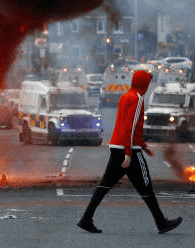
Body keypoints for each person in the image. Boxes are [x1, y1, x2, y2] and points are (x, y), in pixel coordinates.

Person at [77, 69, 182, 234]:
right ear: (144, 84)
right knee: (146, 187)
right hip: (129, 150)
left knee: (104, 185)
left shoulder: (125, 96)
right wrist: (129, 153)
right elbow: (130, 127)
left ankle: (86, 219)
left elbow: (125, 126)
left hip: (117, 147)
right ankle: (161, 223)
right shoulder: (138, 98)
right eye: (147, 83)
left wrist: (144, 147)